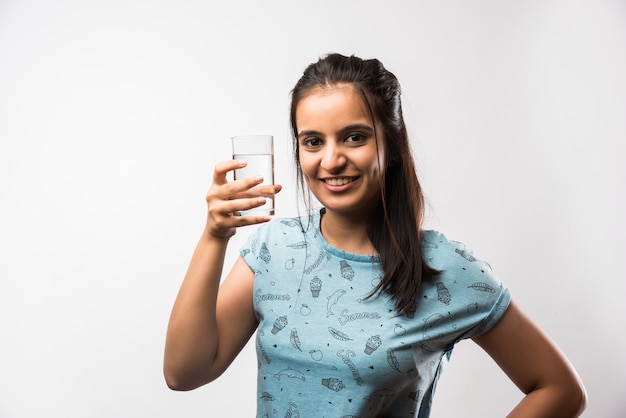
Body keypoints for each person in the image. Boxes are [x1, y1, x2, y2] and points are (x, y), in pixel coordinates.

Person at [164, 53, 586, 417]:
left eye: (354, 137)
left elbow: (559, 390)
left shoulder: (443, 268)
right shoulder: (275, 250)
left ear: (392, 142)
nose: (331, 160)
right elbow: (184, 373)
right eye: (313, 141)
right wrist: (214, 236)